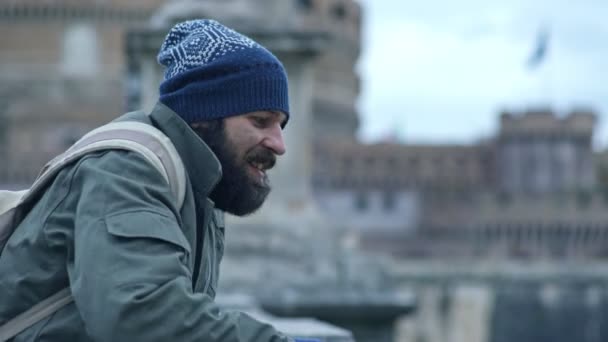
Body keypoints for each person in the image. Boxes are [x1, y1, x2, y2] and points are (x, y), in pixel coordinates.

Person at [0, 19, 305, 341]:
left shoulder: (201, 186)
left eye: (280, 126)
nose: (279, 144)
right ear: (203, 115)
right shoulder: (124, 171)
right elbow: (142, 316)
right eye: (260, 121)